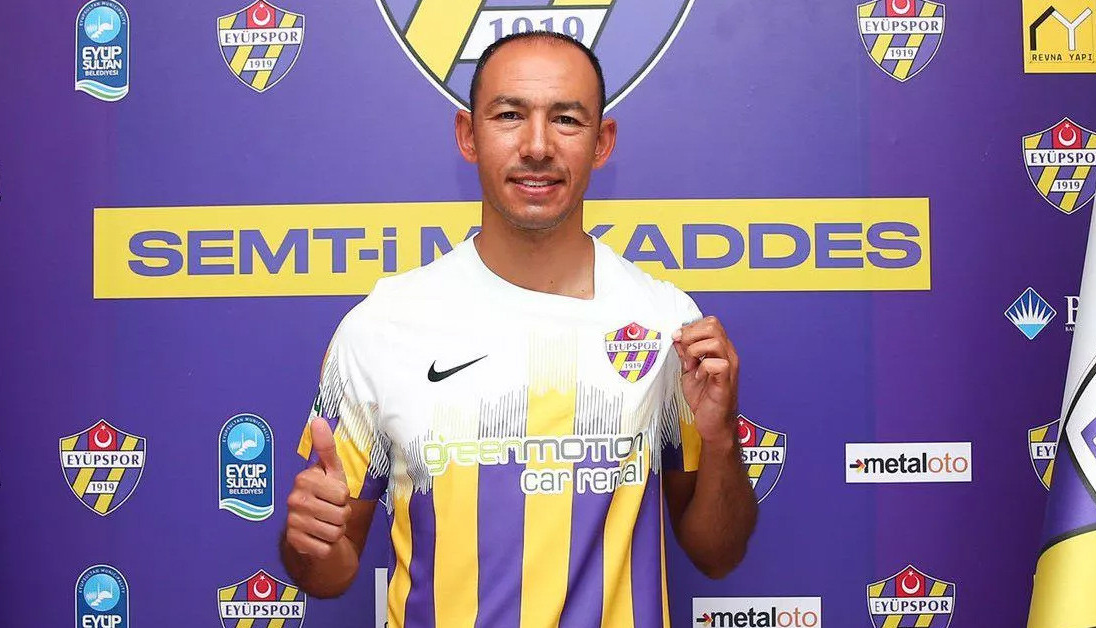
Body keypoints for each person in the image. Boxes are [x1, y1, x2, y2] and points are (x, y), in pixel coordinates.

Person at [279, 31, 757, 627]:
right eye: (509, 115)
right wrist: (312, 540)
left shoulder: (666, 324)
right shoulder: (382, 326)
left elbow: (718, 554)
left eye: (566, 119)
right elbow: (327, 573)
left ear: (602, 142)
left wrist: (721, 439)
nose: (537, 146)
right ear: (467, 135)